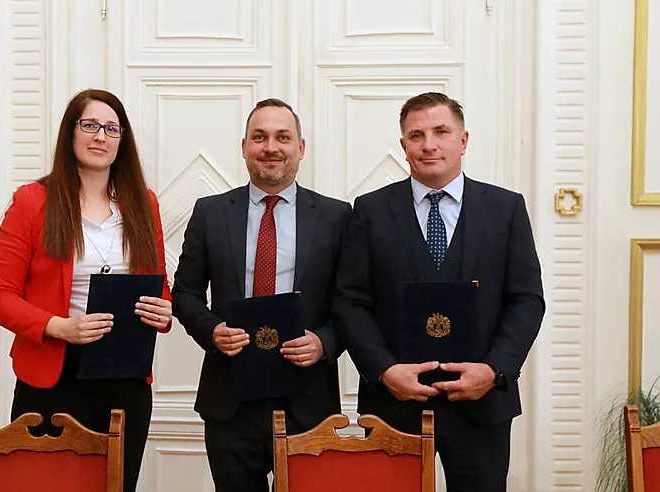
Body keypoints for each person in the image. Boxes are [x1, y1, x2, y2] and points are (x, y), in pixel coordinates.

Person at [333, 92, 545, 492]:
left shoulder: (506, 208)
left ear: (463, 140)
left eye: (441, 132)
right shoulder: (370, 210)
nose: (428, 144)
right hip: (393, 404)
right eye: (417, 135)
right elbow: (350, 301)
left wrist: (494, 370)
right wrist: (384, 370)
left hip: (481, 403)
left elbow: (527, 300)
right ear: (404, 146)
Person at [0, 88, 172, 492]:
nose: (100, 136)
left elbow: (160, 285)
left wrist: (164, 310)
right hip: (53, 375)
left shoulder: (144, 203)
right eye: (90, 125)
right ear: (70, 132)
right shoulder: (33, 201)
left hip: (125, 376)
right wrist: (59, 326)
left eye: (112, 128)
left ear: (122, 140)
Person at [172, 98, 352, 492]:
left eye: (282, 137)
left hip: (308, 398)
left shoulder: (337, 217)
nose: (271, 147)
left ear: (300, 148)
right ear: (244, 146)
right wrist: (212, 331)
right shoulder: (211, 213)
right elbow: (184, 292)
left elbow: (351, 302)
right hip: (230, 398)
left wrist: (325, 342)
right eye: (260, 137)